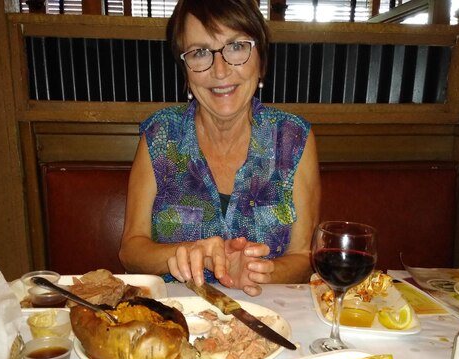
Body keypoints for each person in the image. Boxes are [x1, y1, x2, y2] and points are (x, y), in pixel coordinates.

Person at [119, 0, 320, 296]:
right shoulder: (160, 136)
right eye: (200, 53)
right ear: (185, 69)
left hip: (269, 318)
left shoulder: (293, 138)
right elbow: (130, 250)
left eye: (236, 47)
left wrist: (257, 270)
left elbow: (304, 258)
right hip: (177, 322)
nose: (221, 70)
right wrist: (187, 251)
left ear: (260, 59)